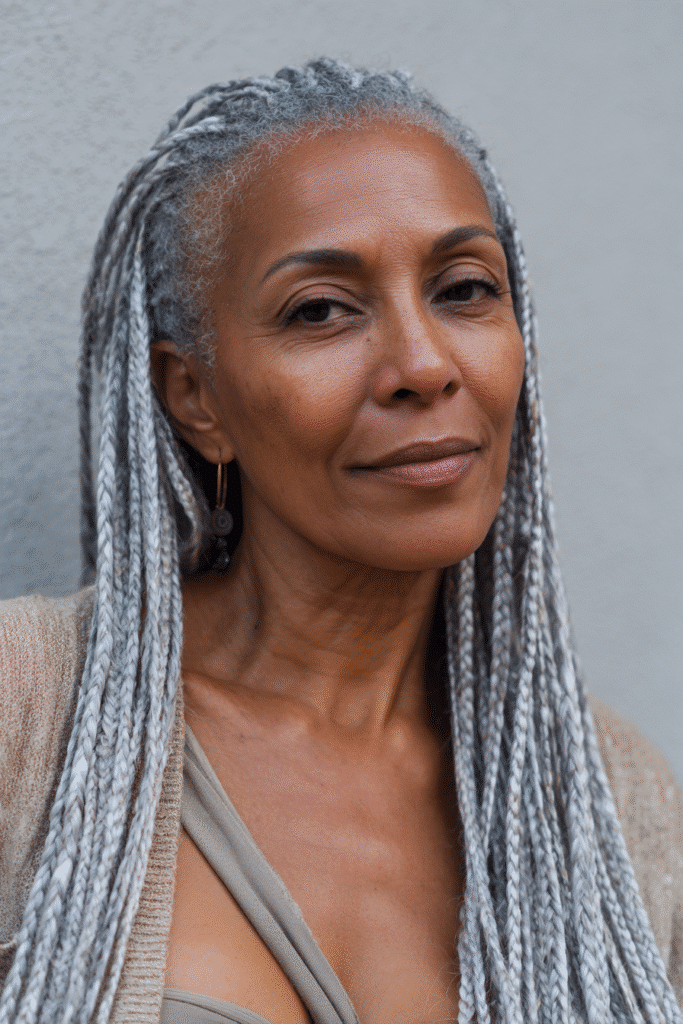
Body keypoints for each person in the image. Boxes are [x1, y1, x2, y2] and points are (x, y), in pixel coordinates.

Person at [0, 58, 681, 1024]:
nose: (420, 364)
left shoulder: (610, 802)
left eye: (463, 289)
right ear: (195, 400)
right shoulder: (27, 717)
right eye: (320, 310)